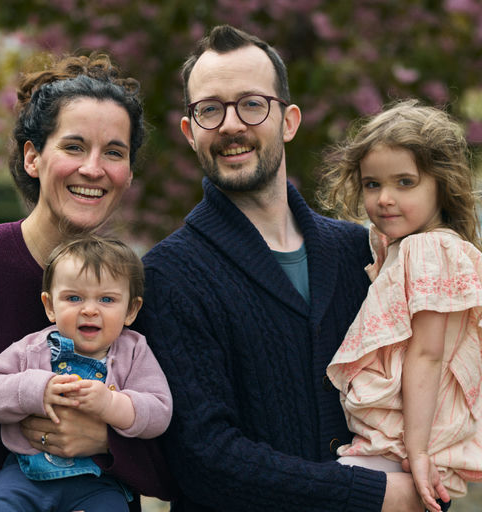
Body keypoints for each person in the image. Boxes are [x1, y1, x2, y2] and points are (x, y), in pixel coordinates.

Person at [135, 24, 428, 511]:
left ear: (288, 121)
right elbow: (206, 460)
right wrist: (372, 495)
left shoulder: (362, 253)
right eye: (210, 109)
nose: (231, 125)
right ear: (190, 132)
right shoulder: (169, 275)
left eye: (252, 104)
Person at [0, 52, 175, 511]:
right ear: (33, 157)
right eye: (74, 147)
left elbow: (180, 455)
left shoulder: (141, 293)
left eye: (114, 153)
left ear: (129, 174)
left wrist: (104, 441)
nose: (93, 169)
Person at [322, 99, 482, 511]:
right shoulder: (402, 247)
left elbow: (428, 354)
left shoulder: (429, 250)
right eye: (373, 184)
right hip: (398, 442)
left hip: (403, 445)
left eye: (405, 182)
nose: (385, 199)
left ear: (441, 184)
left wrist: (419, 452)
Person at [0, 235, 172, 511]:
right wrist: (37, 389)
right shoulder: (32, 348)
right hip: (26, 474)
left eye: (107, 299)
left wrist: (111, 404)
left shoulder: (134, 352)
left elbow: (159, 411)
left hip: (98, 480)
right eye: (74, 298)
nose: (89, 310)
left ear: (131, 310)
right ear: (50, 306)